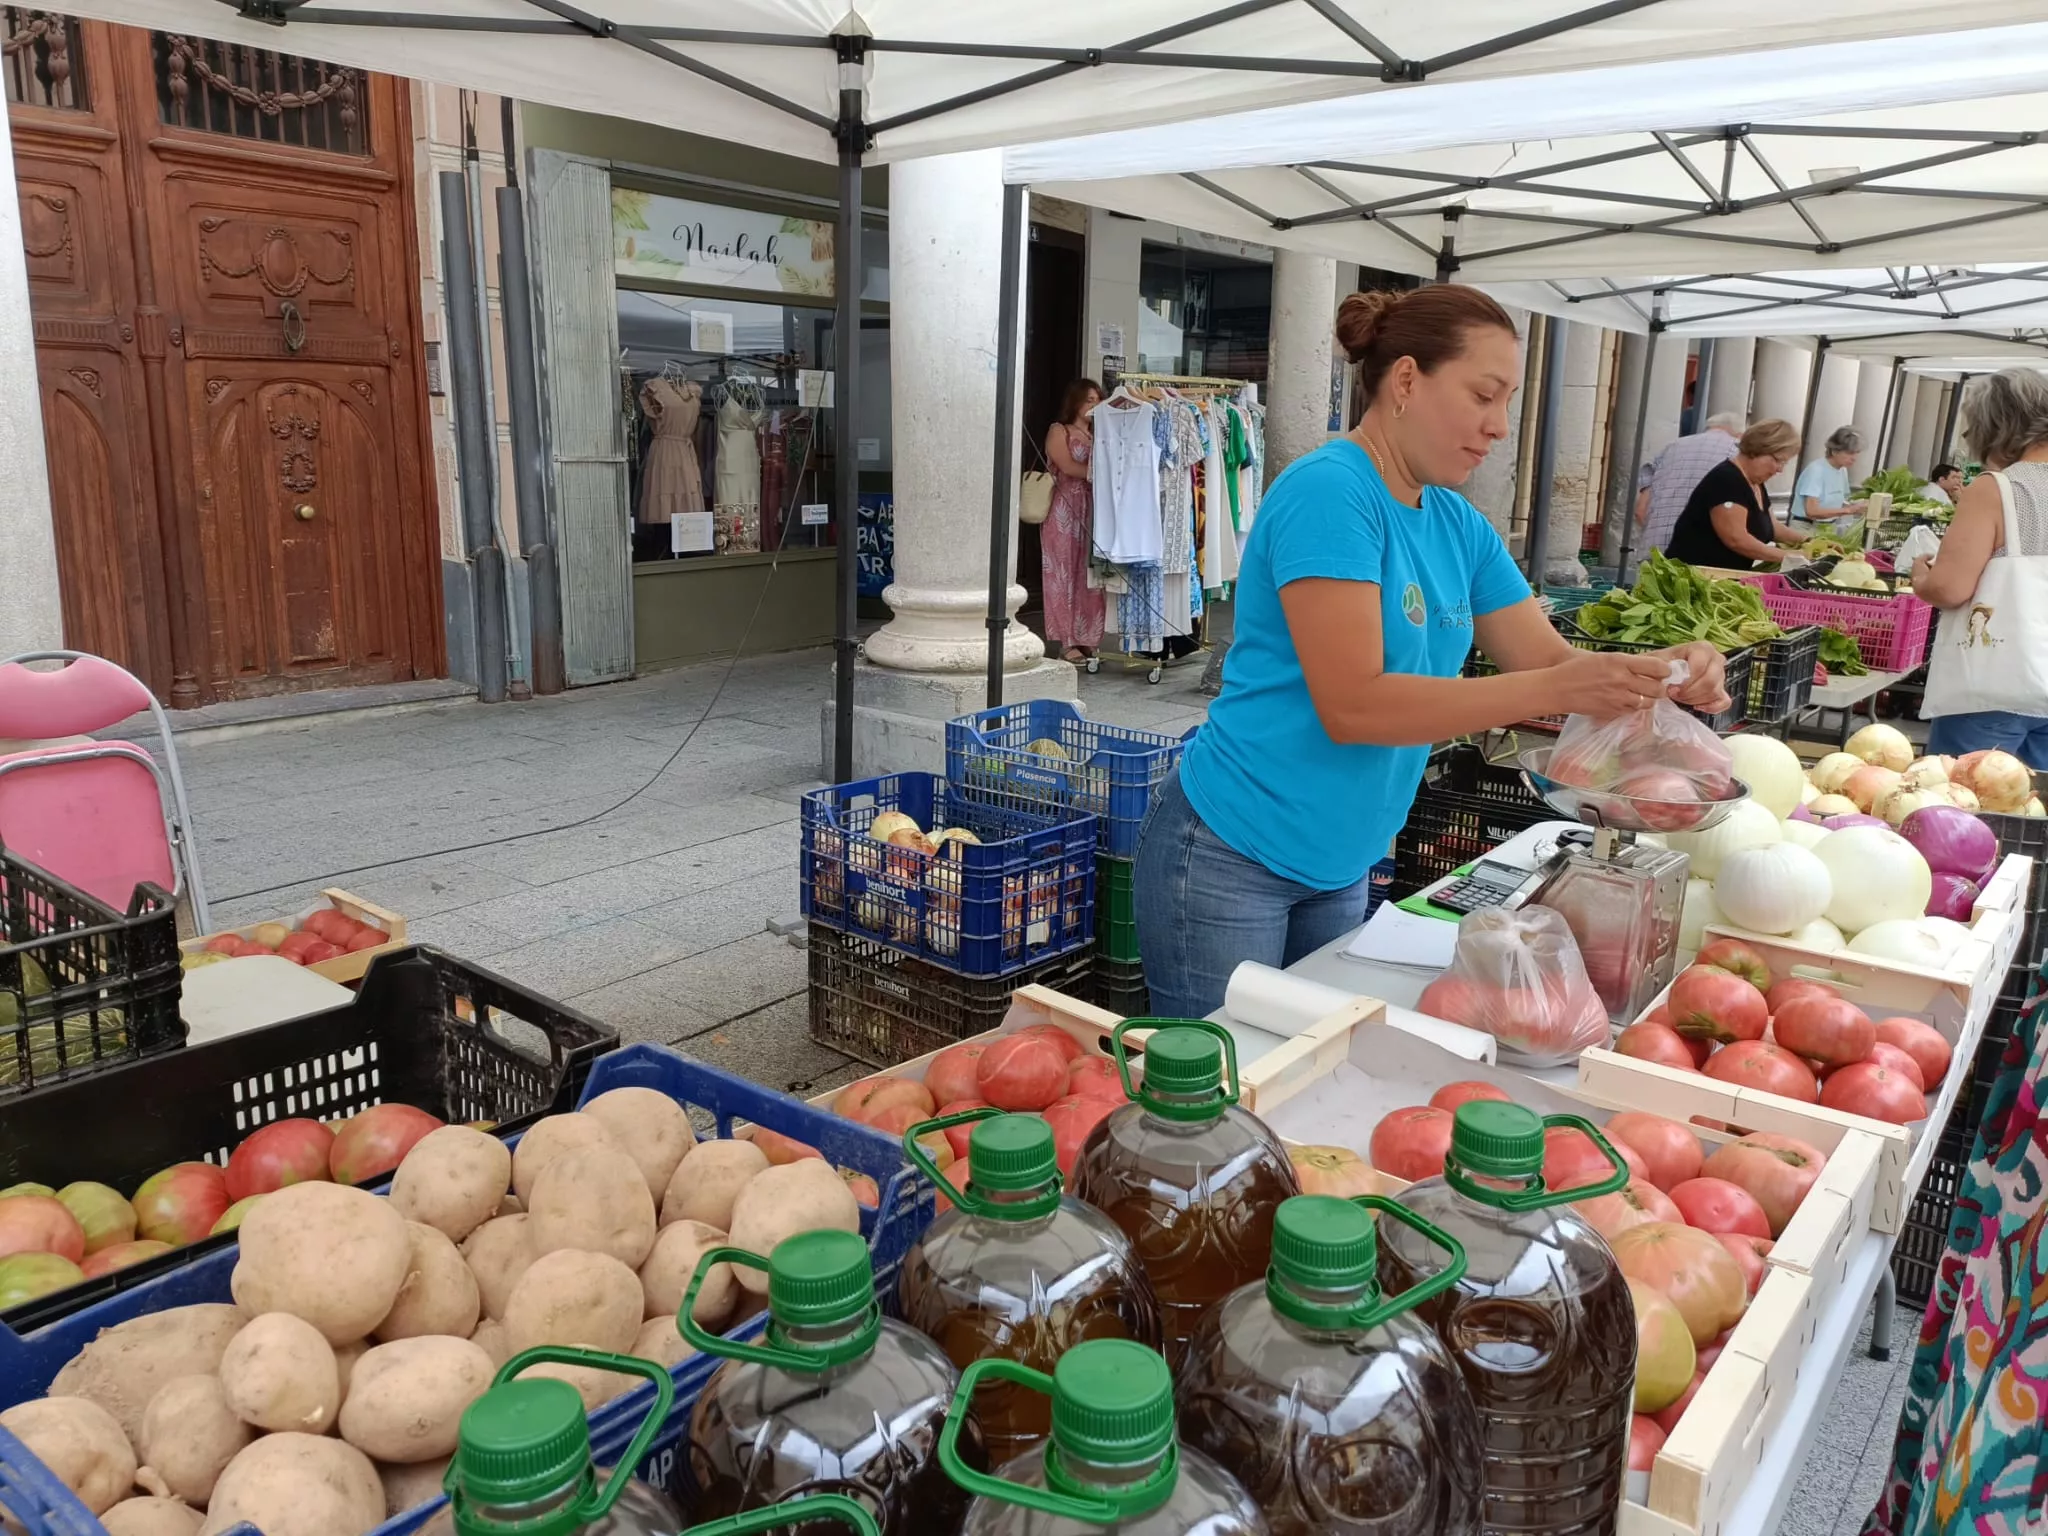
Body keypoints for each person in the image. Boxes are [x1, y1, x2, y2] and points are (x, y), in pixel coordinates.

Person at [1132, 285, 1730, 1019]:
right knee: (1223, 1087)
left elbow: (1548, 666)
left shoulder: (1456, 522)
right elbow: (1357, 705)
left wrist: (1668, 669)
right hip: (1232, 851)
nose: (1500, 427)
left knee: (1306, 1077)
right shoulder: (1331, 493)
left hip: (1343, 859)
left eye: (1508, 402)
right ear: (1408, 380)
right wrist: (1566, 689)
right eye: (1484, 396)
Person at [1910, 369, 2048, 768]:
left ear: (1995, 427)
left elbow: (1950, 588)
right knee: (2033, 812)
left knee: (1963, 803)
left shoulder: (1996, 488)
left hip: (1995, 688)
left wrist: (1922, 577)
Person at [1663, 420, 1810, 569]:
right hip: (1694, 576)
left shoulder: (1755, 483)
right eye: (1778, 460)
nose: (1780, 469)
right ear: (1757, 450)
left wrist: (1809, 541)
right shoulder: (1727, 480)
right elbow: (1737, 539)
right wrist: (1790, 556)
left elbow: (1771, 526)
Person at [1041, 379, 1106, 664]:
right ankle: (1065, 641)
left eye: (1097, 399)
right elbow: (1066, 465)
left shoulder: (1099, 434)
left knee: (1088, 575)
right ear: (1077, 401)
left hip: (1092, 507)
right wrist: (1099, 473)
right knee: (1062, 575)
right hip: (1064, 509)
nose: (1094, 404)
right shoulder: (1060, 431)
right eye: (1089, 399)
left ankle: (1086, 637)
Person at [1630, 411, 1743, 571]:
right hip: (1703, 557)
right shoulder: (1737, 453)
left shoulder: (1670, 447)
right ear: (1740, 434)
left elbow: (1641, 511)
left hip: (1655, 550)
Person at [1791, 426, 1870, 534]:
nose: (1854, 458)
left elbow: (1840, 502)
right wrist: (1849, 510)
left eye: (1856, 453)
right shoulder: (1816, 471)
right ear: (1834, 451)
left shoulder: (1842, 470)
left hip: (1828, 527)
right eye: (1849, 453)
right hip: (1806, 528)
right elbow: (1811, 511)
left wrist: (1860, 506)